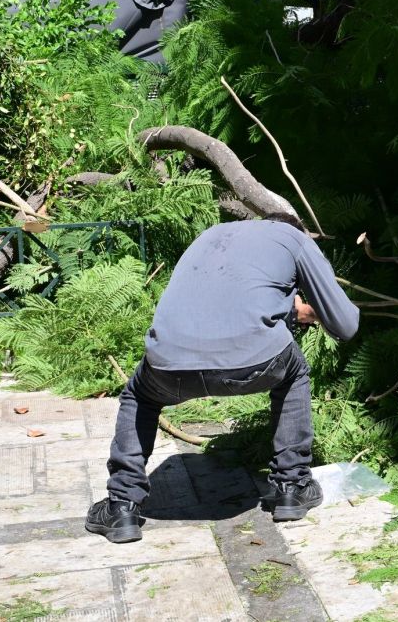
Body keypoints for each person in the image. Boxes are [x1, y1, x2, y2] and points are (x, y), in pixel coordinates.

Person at [85, 213, 359, 543]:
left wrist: (287, 309)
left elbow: (226, 300)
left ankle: (121, 507)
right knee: (294, 372)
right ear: (294, 228)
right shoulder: (295, 239)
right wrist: (312, 310)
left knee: (139, 395)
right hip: (254, 363)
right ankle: (292, 486)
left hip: (169, 364)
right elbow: (346, 325)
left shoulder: (212, 235)